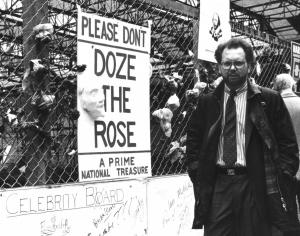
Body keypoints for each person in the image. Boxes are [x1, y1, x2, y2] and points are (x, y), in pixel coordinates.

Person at [186, 38, 300, 236]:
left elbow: (288, 144)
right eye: (226, 63)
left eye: (238, 63)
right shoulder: (207, 102)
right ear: (219, 66)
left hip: (255, 183)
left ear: (250, 65)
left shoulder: (268, 99)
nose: (232, 68)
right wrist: (198, 173)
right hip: (218, 185)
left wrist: (284, 175)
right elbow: (193, 142)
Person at [273, 73, 300, 220]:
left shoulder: (273, 105)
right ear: (292, 85)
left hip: (282, 163)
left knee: (287, 206)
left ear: (276, 86)